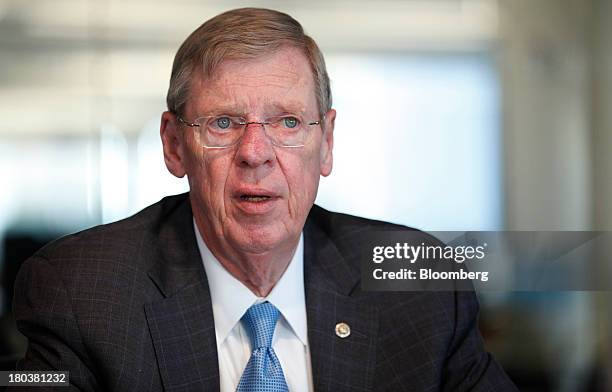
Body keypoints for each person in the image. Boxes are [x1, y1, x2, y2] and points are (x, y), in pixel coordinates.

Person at [11, 7, 517, 392]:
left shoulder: (420, 291)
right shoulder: (82, 291)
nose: (256, 153)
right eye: (224, 123)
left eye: (288, 122)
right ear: (173, 145)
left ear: (328, 142)